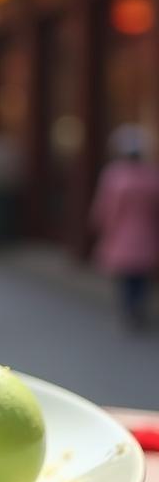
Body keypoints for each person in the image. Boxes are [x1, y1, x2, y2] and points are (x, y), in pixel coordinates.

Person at [90, 125, 159, 330]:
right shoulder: (151, 175)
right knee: (140, 276)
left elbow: (105, 207)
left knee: (126, 276)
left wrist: (100, 226)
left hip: (122, 233)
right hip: (147, 233)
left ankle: (129, 311)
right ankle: (137, 309)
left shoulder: (115, 175)